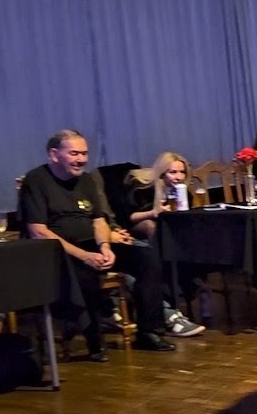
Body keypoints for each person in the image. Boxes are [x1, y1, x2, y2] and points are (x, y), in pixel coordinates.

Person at [19, 130, 174, 360]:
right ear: (54, 155)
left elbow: (98, 220)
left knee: (147, 258)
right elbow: (38, 231)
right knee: (86, 272)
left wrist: (105, 247)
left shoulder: (86, 180)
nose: (81, 159)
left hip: (92, 244)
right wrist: (84, 255)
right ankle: (95, 341)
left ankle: (149, 331)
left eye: (84, 153)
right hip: (55, 251)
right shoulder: (36, 180)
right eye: (74, 153)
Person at [121, 153, 207, 338]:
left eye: (181, 172)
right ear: (162, 173)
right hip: (139, 233)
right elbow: (128, 217)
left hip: (173, 237)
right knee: (153, 227)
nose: (178, 177)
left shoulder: (183, 190)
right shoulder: (143, 189)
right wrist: (153, 212)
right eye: (172, 172)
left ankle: (189, 281)